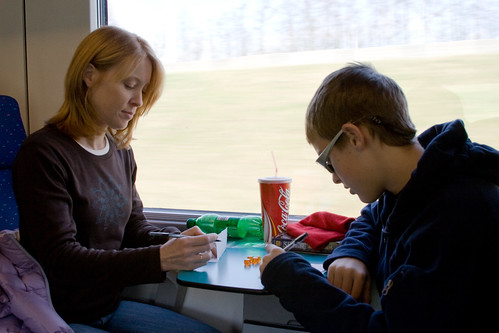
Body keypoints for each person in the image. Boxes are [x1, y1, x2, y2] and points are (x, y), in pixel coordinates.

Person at [260, 63, 499, 332]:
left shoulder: (457, 215)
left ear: (353, 137)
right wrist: (352, 253)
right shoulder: (412, 185)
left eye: (328, 162)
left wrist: (293, 281)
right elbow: (374, 216)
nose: (335, 178)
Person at [12, 26, 219, 332]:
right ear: (89, 75)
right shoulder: (43, 154)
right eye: (129, 85)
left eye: (143, 90)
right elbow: (61, 259)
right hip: (58, 315)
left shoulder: (120, 151)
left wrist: (178, 242)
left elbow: (134, 230)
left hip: (109, 305)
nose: (138, 101)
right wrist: (161, 258)